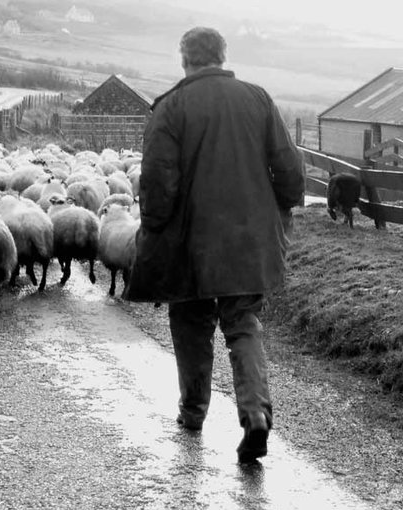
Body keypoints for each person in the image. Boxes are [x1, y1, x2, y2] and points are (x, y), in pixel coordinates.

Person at [124, 26, 305, 463]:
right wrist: (276, 209)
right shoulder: (258, 98)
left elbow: (158, 185)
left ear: (184, 60)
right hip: (249, 237)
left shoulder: (171, 107)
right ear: (222, 57)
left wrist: (152, 230)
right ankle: (256, 413)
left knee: (190, 321)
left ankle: (192, 412)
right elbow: (291, 171)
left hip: (190, 242)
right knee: (242, 323)